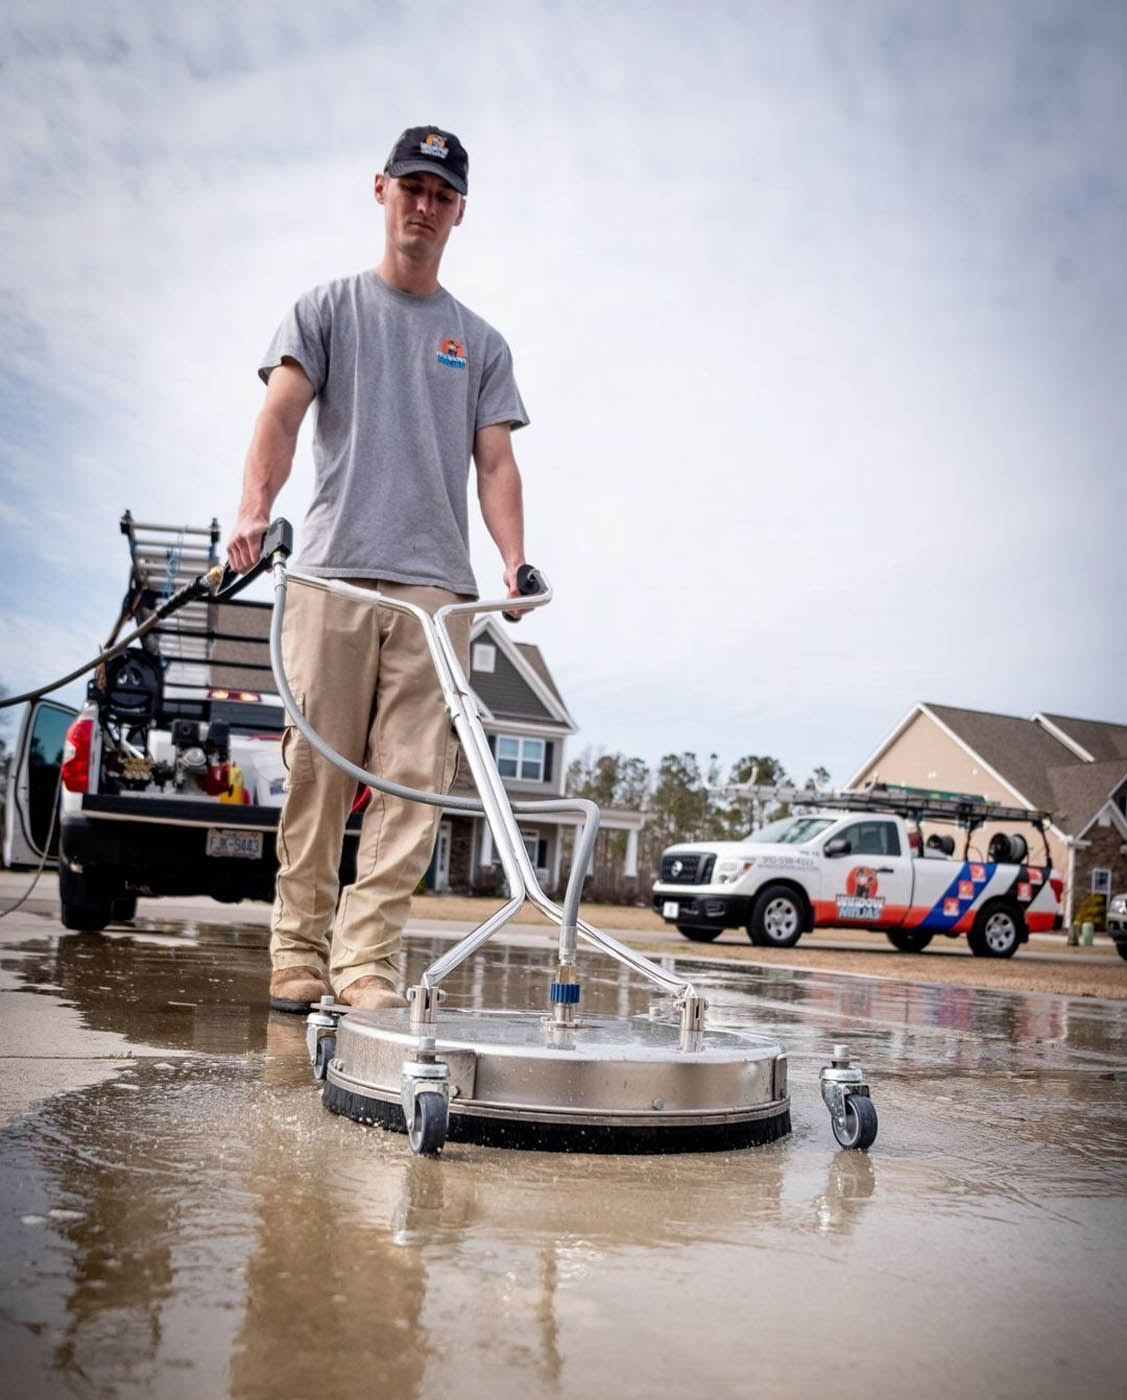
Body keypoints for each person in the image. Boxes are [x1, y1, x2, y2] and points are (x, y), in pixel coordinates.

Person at [226, 125, 529, 1013]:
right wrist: (252, 508)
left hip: (436, 591)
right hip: (332, 574)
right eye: (412, 188)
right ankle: (297, 954)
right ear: (381, 191)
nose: (424, 206)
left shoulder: (479, 342)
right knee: (319, 768)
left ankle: (366, 966)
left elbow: (497, 463)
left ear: (459, 212)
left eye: (441, 195)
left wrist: (514, 563)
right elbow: (280, 418)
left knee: (411, 783)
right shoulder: (323, 310)